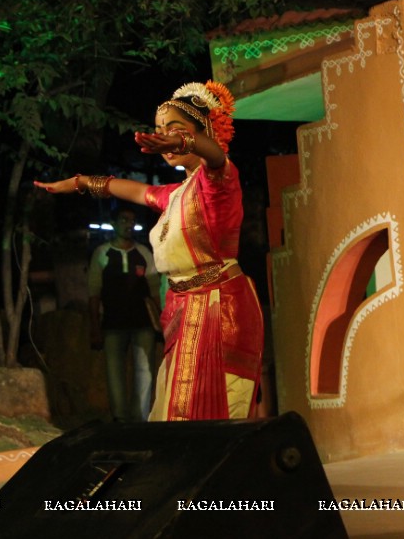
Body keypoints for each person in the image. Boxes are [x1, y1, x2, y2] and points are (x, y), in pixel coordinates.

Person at [36, 81, 264, 420]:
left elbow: (215, 156)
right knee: (174, 410)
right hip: (185, 310)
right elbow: (135, 191)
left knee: (215, 412)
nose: (165, 139)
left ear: (203, 132)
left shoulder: (219, 183)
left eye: (174, 130)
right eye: (160, 130)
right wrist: (82, 183)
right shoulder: (175, 194)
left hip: (219, 309)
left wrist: (188, 142)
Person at [88, 206, 160, 422]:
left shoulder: (144, 253)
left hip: (143, 322)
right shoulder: (102, 253)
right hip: (112, 323)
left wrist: (163, 318)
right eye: (123, 220)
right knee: (114, 373)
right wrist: (94, 327)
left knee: (145, 373)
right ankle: (120, 419)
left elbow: (155, 289)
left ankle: (140, 420)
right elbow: (94, 293)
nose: (128, 224)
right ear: (113, 223)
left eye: (132, 220)